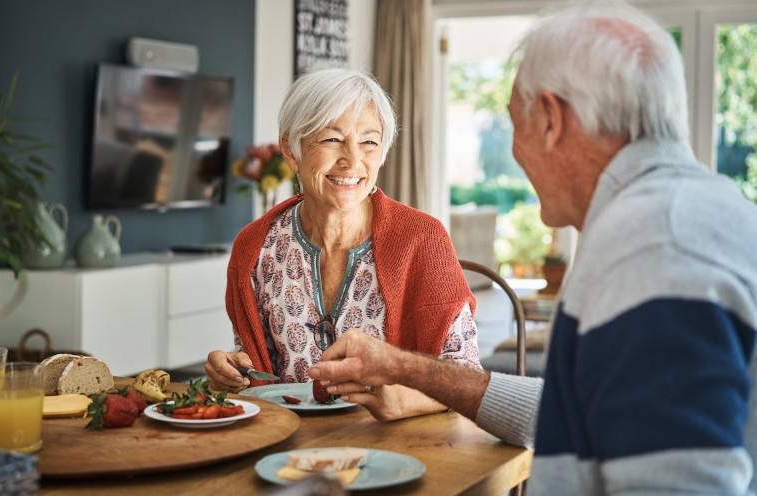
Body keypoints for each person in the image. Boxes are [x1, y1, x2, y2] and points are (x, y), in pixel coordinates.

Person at [309, 0, 757, 494]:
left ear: (549, 118)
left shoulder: (654, 245)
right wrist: (403, 367)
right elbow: (574, 408)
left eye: (513, 122)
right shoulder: (682, 215)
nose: (514, 149)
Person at [206, 68, 481, 421]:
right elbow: (259, 369)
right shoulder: (255, 248)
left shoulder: (423, 238)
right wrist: (233, 372)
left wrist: (403, 399)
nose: (352, 161)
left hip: (397, 441)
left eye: (369, 142)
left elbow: (465, 375)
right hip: (290, 439)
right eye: (333, 139)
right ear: (291, 150)